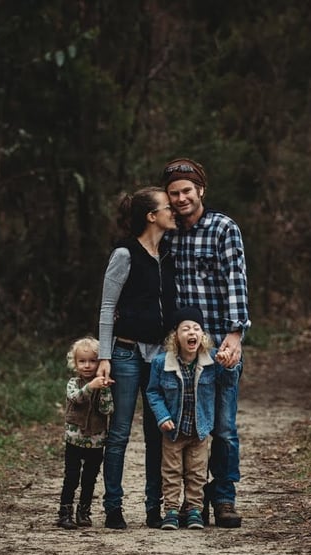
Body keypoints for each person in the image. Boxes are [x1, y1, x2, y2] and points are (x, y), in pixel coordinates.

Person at [160, 157, 251, 528]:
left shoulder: (223, 229)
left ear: (200, 191)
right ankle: (182, 503)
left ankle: (224, 497)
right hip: (181, 348)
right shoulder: (167, 233)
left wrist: (235, 334)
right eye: (174, 193)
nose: (181, 198)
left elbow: (237, 282)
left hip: (219, 345)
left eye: (186, 191)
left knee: (223, 428)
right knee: (185, 427)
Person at [97, 186, 177, 529]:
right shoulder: (125, 254)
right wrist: (105, 356)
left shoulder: (169, 254)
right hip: (126, 353)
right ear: (151, 216)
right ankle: (113, 507)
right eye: (167, 206)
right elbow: (107, 308)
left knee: (157, 433)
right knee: (119, 434)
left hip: (160, 356)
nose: (173, 210)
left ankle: (153, 508)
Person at [146, 306, 240, 530]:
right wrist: (162, 416)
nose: (192, 333)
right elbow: (153, 392)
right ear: (175, 336)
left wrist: (229, 366)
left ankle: (194, 511)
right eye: (185, 328)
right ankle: (170, 510)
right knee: (171, 472)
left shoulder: (212, 361)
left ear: (202, 336)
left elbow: (228, 384)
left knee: (197, 473)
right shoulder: (161, 363)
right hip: (173, 431)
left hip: (200, 430)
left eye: (196, 328)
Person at [57, 336, 114, 530]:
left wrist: (104, 390)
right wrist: (91, 386)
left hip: (96, 441)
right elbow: (76, 399)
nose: (87, 366)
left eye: (92, 361)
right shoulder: (74, 383)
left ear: (100, 363)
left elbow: (107, 410)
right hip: (75, 439)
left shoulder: (103, 385)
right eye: (82, 361)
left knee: (89, 478)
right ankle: (65, 512)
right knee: (71, 476)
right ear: (75, 363)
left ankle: (84, 511)